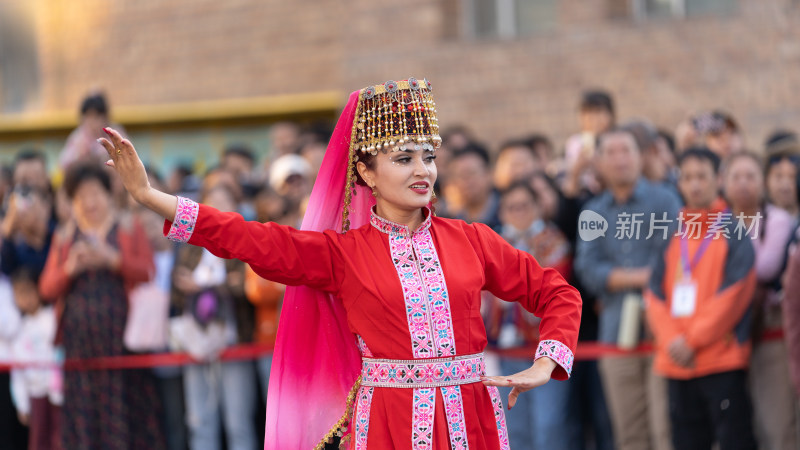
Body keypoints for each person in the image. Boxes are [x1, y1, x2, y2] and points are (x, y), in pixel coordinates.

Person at [99, 78, 582, 449]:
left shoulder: (472, 240)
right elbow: (247, 238)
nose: (422, 170)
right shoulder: (343, 253)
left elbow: (557, 292)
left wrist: (548, 359)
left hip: (472, 421)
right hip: (388, 424)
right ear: (366, 172)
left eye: (428, 157)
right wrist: (149, 196)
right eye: (403, 159)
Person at [38, 163, 165, 449]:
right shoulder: (64, 236)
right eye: (81, 196)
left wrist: (113, 260)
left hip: (123, 339)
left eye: (95, 193)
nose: (89, 202)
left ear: (109, 195)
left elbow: (148, 271)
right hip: (79, 344)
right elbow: (46, 289)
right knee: (83, 410)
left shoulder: (128, 227)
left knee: (127, 403)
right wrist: (70, 269)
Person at [574, 127, 681, 450]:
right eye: (612, 152)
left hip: (664, 329)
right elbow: (587, 269)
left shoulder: (665, 199)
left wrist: (622, 277)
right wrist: (638, 277)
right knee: (628, 431)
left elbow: (675, 259)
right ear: (599, 162)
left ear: (640, 157)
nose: (620, 159)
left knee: (666, 429)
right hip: (614, 329)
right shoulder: (593, 211)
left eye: (627, 151)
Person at [645, 148, 758, 449]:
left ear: (718, 179)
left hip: (721, 360)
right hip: (676, 362)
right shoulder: (671, 230)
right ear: (679, 182)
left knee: (736, 440)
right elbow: (654, 294)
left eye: (702, 176)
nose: (695, 185)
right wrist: (672, 341)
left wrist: (691, 340)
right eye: (688, 177)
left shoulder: (733, 230)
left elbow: (735, 294)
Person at [484, 181, 576, 449]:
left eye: (524, 206)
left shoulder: (554, 242)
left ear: (538, 207)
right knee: (514, 425)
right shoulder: (495, 243)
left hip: (543, 350)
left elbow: (557, 292)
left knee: (548, 425)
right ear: (501, 212)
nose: (518, 213)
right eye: (511, 207)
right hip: (505, 348)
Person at [171, 184, 258, 450]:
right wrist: (213, 283)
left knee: (238, 422)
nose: (218, 208)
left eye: (225, 200)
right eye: (212, 202)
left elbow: (247, 285)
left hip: (235, 340)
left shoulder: (247, 240)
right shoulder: (191, 245)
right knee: (199, 421)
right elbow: (176, 289)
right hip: (196, 341)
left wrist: (205, 284)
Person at [722, 152, 797, 449]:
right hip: (725, 332)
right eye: (735, 177)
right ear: (723, 183)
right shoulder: (717, 222)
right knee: (741, 423)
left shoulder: (778, 220)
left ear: (762, 182)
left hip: (767, 329)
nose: (743, 184)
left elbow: (766, 266)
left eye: (750, 176)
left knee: (775, 420)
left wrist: (725, 274)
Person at [10, 267, 62, 450]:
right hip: (35, 392)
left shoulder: (52, 319)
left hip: (57, 393)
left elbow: (59, 353)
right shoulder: (19, 329)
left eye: (28, 292)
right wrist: (21, 404)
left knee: (60, 438)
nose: (25, 299)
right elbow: (18, 371)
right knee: (39, 440)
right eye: (19, 294)